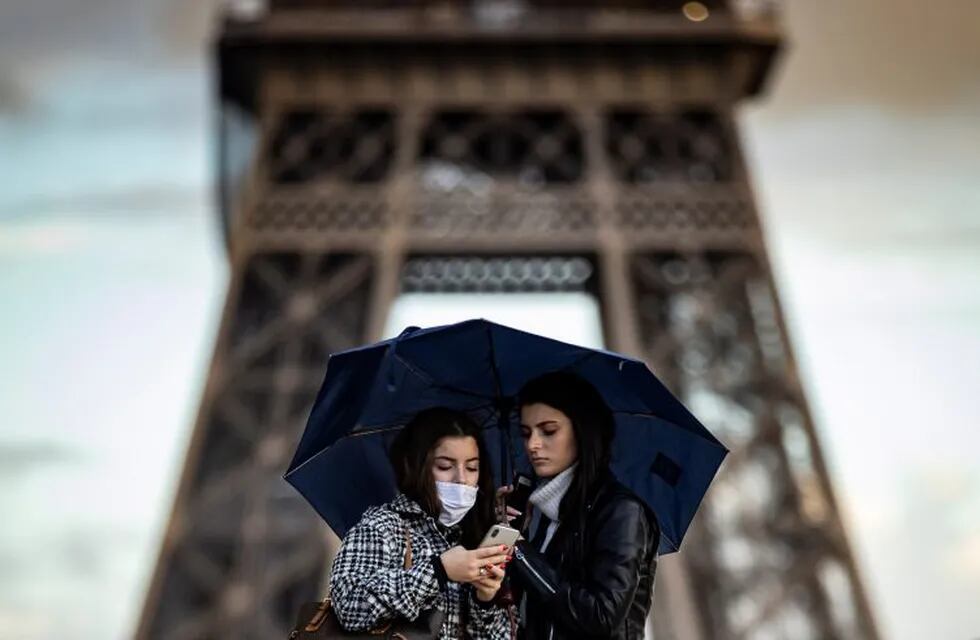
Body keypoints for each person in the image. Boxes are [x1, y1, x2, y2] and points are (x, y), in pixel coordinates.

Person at [329, 407, 511, 639]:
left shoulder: (473, 536)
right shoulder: (382, 527)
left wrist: (484, 599)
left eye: (472, 467)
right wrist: (439, 571)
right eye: (445, 466)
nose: (462, 479)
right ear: (414, 466)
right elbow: (349, 605)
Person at [506, 372, 660, 640]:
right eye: (525, 433)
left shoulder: (620, 511)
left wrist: (518, 550)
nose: (533, 445)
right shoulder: (546, 513)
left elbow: (602, 616)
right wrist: (506, 530)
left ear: (581, 429)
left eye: (549, 431)